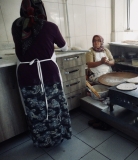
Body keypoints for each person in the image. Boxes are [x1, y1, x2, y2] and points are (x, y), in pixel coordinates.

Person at [11, 0, 72, 148]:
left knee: (35, 109)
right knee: (54, 106)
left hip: (26, 74)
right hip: (48, 73)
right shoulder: (50, 26)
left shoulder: (16, 26)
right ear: (42, 9)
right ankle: (57, 137)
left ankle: (41, 140)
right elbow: (64, 47)